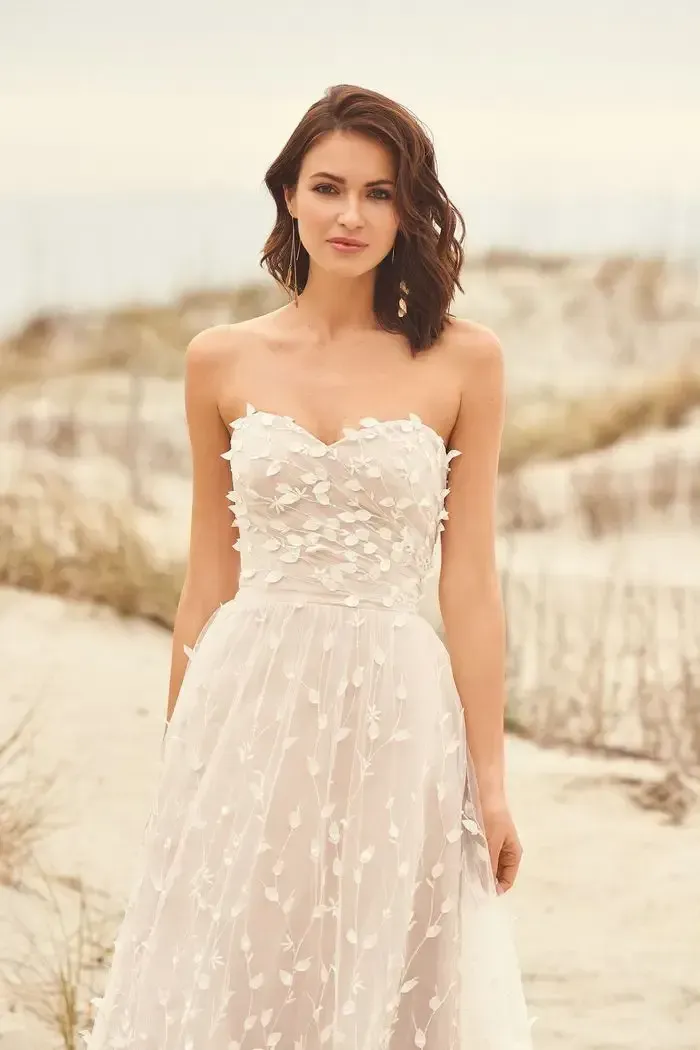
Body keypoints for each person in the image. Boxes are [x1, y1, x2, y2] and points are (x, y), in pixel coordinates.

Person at [83, 83, 535, 1049]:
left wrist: (491, 781)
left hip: (397, 704)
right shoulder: (218, 358)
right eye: (328, 187)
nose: (350, 215)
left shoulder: (466, 360)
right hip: (247, 696)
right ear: (288, 194)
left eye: (379, 193)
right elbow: (208, 580)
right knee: (246, 946)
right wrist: (182, 750)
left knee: (380, 956)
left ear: (408, 210)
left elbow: (469, 585)